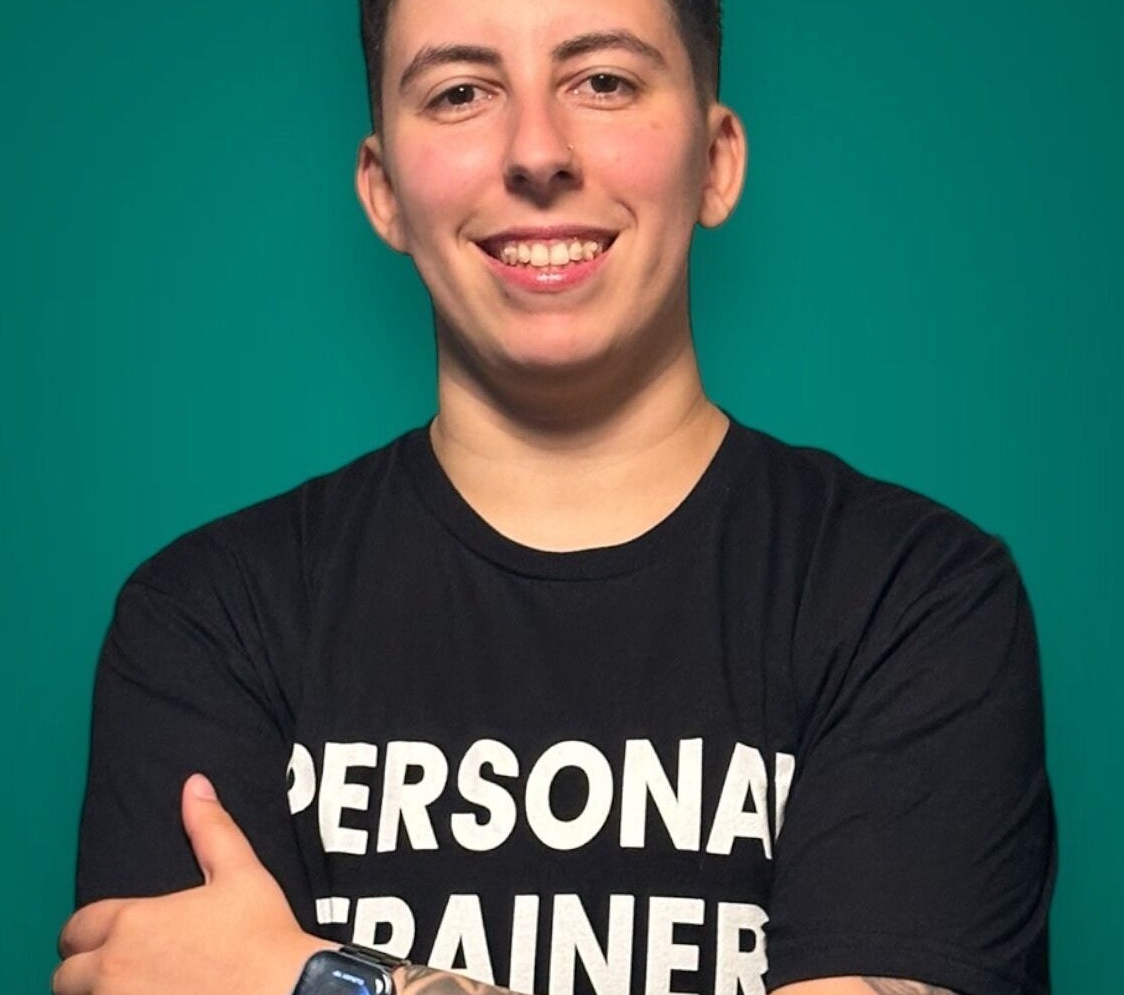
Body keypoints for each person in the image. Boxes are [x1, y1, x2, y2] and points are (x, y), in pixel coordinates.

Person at [52, 2, 1057, 995]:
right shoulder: (209, 622)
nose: (538, 151)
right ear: (384, 189)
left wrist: (321, 981)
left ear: (716, 159)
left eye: (604, 80)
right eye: (460, 92)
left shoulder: (912, 598)